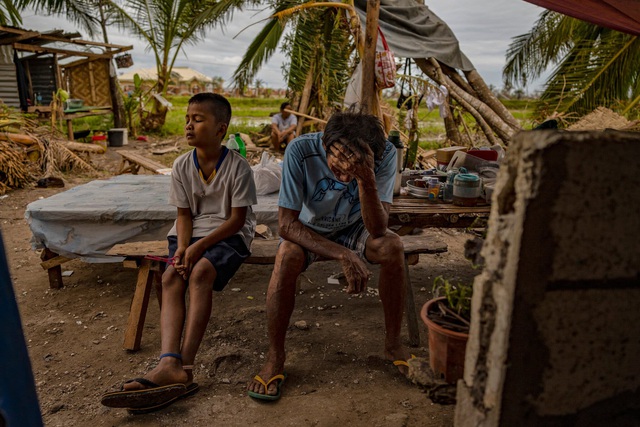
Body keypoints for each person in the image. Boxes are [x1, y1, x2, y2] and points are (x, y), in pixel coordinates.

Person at [101, 93, 257, 413]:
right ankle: (168, 361)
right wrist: (184, 247)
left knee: (200, 273)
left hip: (231, 234)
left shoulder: (238, 167)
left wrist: (198, 248)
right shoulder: (182, 165)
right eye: (187, 118)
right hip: (189, 234)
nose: (188, 124)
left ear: (220, 129)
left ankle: (184, 368)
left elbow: (237, 220)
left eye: (198, 119)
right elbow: (184, 215)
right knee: (172, 274)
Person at [247, 107, 411, 401]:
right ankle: (275, 357)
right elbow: (286, 225)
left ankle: (393, 344)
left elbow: (377, 229)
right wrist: (344, 255)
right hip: (308, 229)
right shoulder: (300, 149)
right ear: (325, 145)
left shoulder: (385, 154)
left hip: (356, 227)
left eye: (355, 168)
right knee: (286, 256)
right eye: (338, 167)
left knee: (392, 246)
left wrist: (366, 179)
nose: (345, 176)